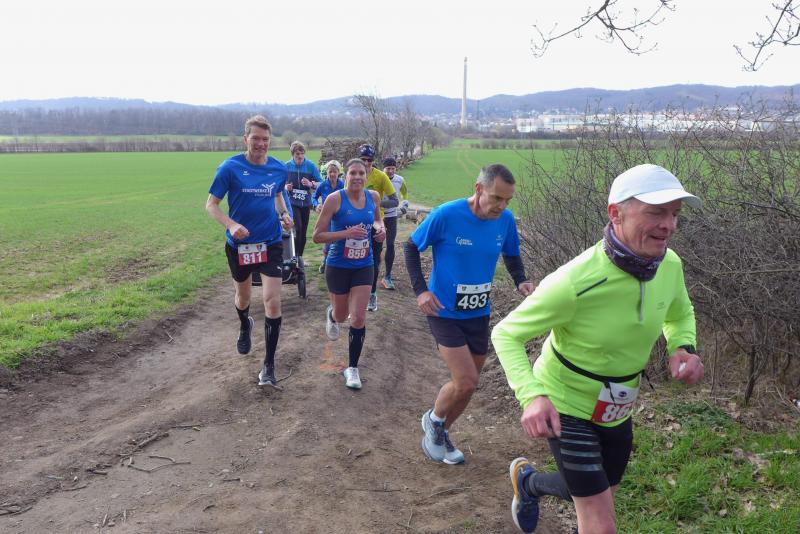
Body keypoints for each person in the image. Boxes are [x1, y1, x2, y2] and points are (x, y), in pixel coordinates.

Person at [491, 164, 705, 534]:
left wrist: (682, 346)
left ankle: (528, 484)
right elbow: (506, 334)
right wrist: (532, 396)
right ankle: (535, 485)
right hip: (566, 405)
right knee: (600, 522)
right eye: (656, 212)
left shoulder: (669, 264)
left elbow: (679, 312)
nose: (669, 225)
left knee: (595, 491)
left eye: (674, 214)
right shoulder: (575, 281)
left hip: (617, 408)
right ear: (615, 213)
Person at [404, 164, 535, 465]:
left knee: (470, 385)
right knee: (464, 380)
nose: (501, 206)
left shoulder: (505, 220)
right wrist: (421, 291)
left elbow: (511, 254)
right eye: (496, 198)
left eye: (507, 201)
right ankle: (434, 420)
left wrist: (521, 280)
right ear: (478, 189)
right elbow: (411, 248)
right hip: (444, 310)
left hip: (478, 312)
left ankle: (441, 431)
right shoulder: (446, 215)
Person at [206, 115, 294, 388]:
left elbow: (277, 195)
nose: (260, 144)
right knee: (243, 297)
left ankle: (269, 365)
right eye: (255, 138)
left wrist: (285, 215)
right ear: (246, 139)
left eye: (265, 139)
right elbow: (211, 205)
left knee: (272, 300)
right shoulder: (230, 168)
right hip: (239, 246)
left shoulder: (278, 169)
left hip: (270, 242)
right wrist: (231, 225)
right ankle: (245, 324)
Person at [312, 158, 386, 389]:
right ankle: (332, 315)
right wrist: (346, 234)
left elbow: (377, 220)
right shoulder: (335, 199)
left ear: (366, 176)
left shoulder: (373, 197)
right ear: (346, 176)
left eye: (361, 173)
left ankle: (352, 368)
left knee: (359, 317)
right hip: (338, 265)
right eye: (353, 173)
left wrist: (380, 229)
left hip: (364, 264)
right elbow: (317, 236)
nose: (357, 177)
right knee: (342, 315)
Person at [357, 144, 398, 312]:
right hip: (356, 223)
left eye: (370, 160)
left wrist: (376, 203)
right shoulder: (353, 175)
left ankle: (372, 294)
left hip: (376, 223)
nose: (367, 163)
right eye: (363, 160)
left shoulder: (381, 176)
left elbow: (395, 200)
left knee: (373, 260)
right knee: (355, 260)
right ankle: (356, 295)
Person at [285, 141, 322, 262]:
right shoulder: (287, 166)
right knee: (298, 228)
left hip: (306, 203)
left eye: (302, 153)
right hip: (292, 202)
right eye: (297, 154)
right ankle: (295, 256)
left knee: (303, 231)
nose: (300, 156)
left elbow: (321, 183)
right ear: (292, 154)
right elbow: (279, 184)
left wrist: (311, 184)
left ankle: (299, 256)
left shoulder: (310, 166)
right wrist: (286, 187)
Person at [380, 157, 409, 290]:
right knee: (376, 246)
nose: (391, 171)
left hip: (392, 215)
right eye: (388, 168)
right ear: (383, 168)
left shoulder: (400, 179)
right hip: (377, 215)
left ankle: (387, 276)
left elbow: (405, 193)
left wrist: (405, 205)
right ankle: (370, 272)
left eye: (393, 168)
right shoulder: (379, 177)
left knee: (390, 244)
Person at [313, 160, 345, 273]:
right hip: (327, 217)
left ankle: (338, 263)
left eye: (334, 172)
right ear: (327, 173)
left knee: (339, 241)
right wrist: (316, 205)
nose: (332, 174)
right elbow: (314, 197)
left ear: (338, 173)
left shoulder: (343, 185)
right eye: (330, 172)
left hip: (340, 217)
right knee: (328, 241)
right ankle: (325, 261)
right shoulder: (323, 185)